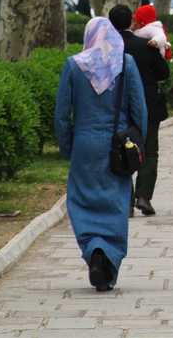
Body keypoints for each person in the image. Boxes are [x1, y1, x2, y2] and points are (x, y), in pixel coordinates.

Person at [55, 17, 147, 292]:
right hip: (116, 147)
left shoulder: (73, 65)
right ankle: (106, 259)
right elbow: (139, 109)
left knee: (81, 200)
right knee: (116, 203)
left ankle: (93, 249)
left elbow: (62, 116)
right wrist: (136, 145)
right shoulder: (125, 63)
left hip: (84, 145)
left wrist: (68, 149)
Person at [109, 4, 170, 217]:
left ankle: (126, 202)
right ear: (131, 23)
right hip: (149, 105)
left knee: (121, 150)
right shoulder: (146, 46)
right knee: (150, 149)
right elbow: (164, 72)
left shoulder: (108, 48)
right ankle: (144, 197)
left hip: (120, 108)